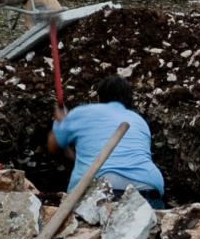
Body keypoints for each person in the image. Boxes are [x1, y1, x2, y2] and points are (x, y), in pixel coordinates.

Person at [48, 75, 165, 208]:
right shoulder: (139, 121)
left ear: (99, 98)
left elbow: (53, 146)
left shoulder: (82, 113)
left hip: (101, 190)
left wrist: (61, 122)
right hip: (148, 189)